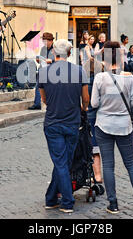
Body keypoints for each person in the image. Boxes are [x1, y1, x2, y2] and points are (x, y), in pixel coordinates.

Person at [91, 41, 133, 214]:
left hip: (104, 124)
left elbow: (94, 103)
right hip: (124, 125)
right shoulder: (129, 77)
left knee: (108, 165)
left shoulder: (100, 78)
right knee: (131, 163)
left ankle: (113, 203)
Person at [38, 39, 89, 214]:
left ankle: (52, 198)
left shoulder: (44, 72)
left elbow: (43, 99)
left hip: (53, 122)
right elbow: (86, 99)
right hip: (72, 122)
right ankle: (67, 201)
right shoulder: (79, 71)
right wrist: (82, 108)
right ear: (69, 54)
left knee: (61, 162)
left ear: (53, 53)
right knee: (63, 161)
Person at [84, 58, 104, 185]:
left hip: (86, 115)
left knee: (85, 146)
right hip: (98, 116)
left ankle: (87, 174)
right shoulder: (101, 81)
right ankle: (97, 175)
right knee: (96, 147)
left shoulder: (83, 82)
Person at [29, 32, 55, 110]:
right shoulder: (43, 48)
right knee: (38, 87)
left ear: (51, 41)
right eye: (43, 41)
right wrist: (38, 60)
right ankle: (37, 104)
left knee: (51, 88)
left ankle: (52, 104)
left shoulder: (56, 49)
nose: (44, 43)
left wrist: (51, 60)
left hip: (52, 71)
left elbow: (59, 60)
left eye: (45, 41)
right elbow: (41, 59)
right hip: (43, 69)